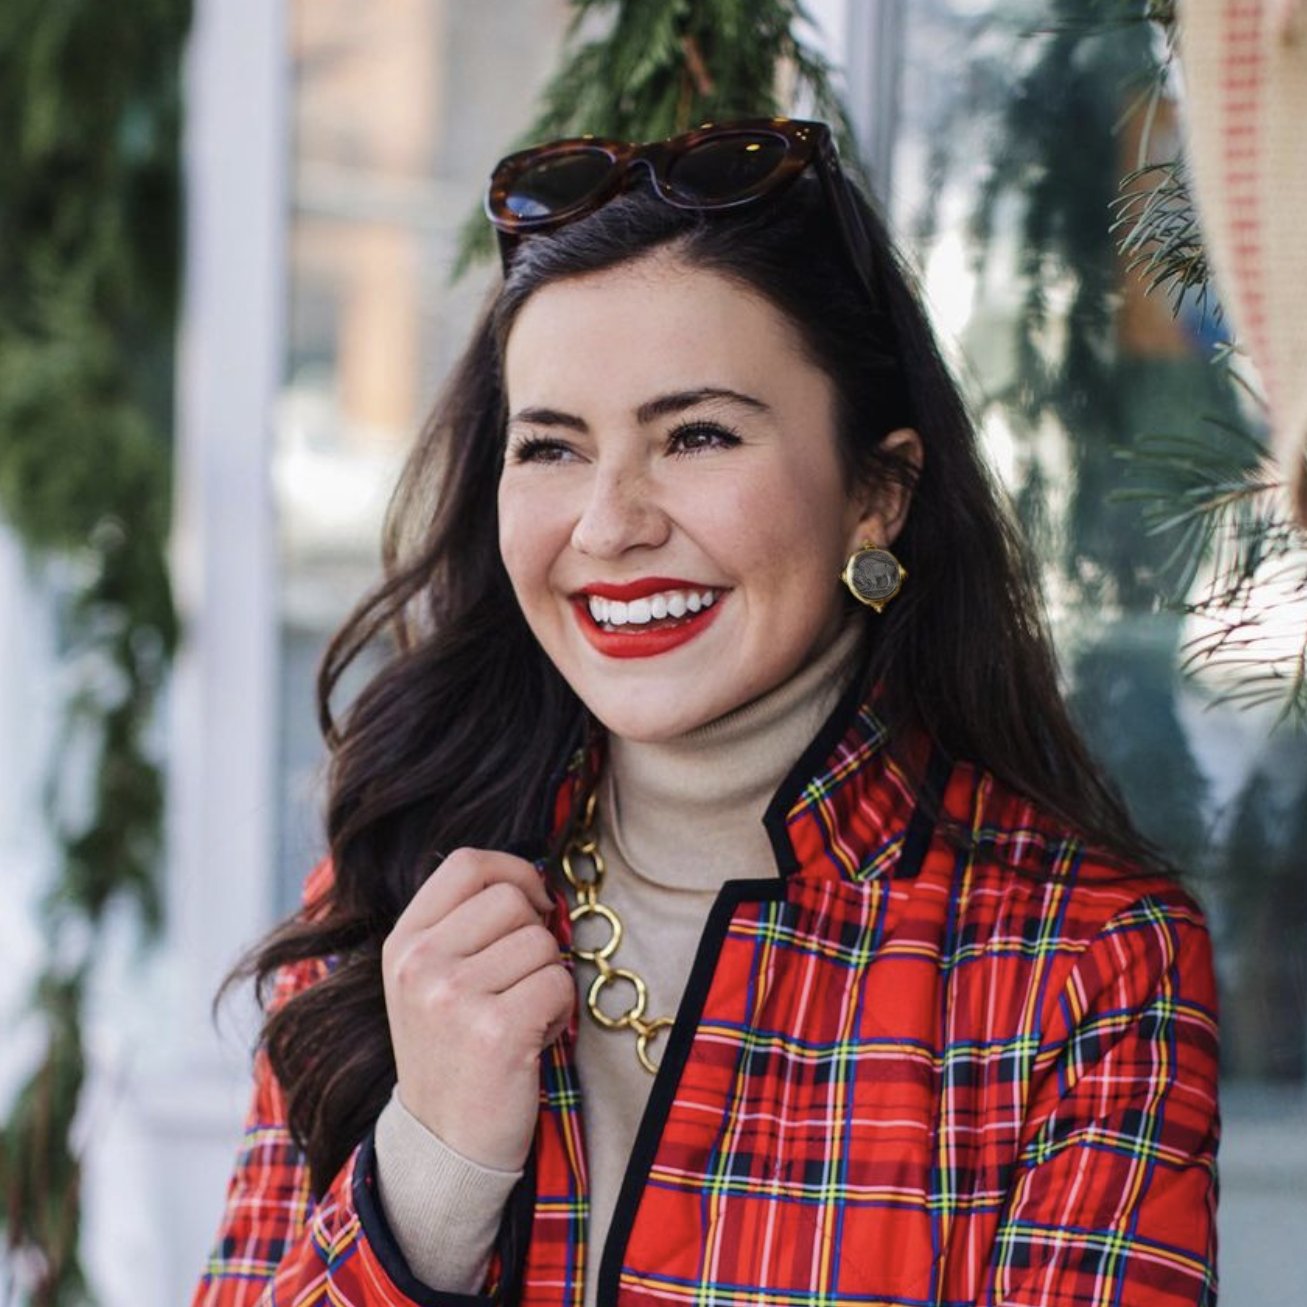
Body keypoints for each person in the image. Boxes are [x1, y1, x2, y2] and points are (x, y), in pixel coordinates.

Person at [193, 118, 1219, 1307]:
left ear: (876, 492)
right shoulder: (395, 895)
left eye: (696, 435)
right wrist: (429, 1166)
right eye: (551, 447)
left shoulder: (1080, 963)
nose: (608, 522)